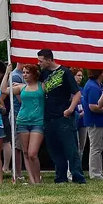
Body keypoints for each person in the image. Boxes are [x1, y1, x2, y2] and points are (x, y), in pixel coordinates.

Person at [37, 49, 85, 184]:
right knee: (54, 149)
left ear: (49, 60)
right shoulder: (44, 73)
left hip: (63, 117)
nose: (39, 63)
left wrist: (70, 109)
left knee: (70, 148)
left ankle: (78, 177)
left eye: (41, 61)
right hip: (48, 117)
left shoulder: (65, 72)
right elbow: (39, 88)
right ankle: (60, 177)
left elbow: (77, 93)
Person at [2, 63, 45, 184]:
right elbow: (3, 90)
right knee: (25, 152)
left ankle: (38, 179)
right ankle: (32, 180)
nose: (24, 75)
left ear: (34, 74)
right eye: (24, 72)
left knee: (32, 153)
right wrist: (7, 73)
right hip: (22, 121)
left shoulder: (42, 86)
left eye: (27, 72)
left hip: (38, 122)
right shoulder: (22, 87)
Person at [82, 69, 103, 180]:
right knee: (96, 148)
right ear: (99, 73)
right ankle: (95, 173)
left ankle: (98, 171)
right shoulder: (93, 87)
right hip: (94, 121)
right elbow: (93, 106)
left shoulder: (98, 85)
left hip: (99, 121)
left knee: (98, 147)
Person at [72, 68, 87, 167]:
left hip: (83, 122)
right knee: (74, 146)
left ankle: (79, 167)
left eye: (81, 75)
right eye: (78, 75)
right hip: (73, 121)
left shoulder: (83, 90)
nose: (80, 78)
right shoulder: (69, 90)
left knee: (81, 147)